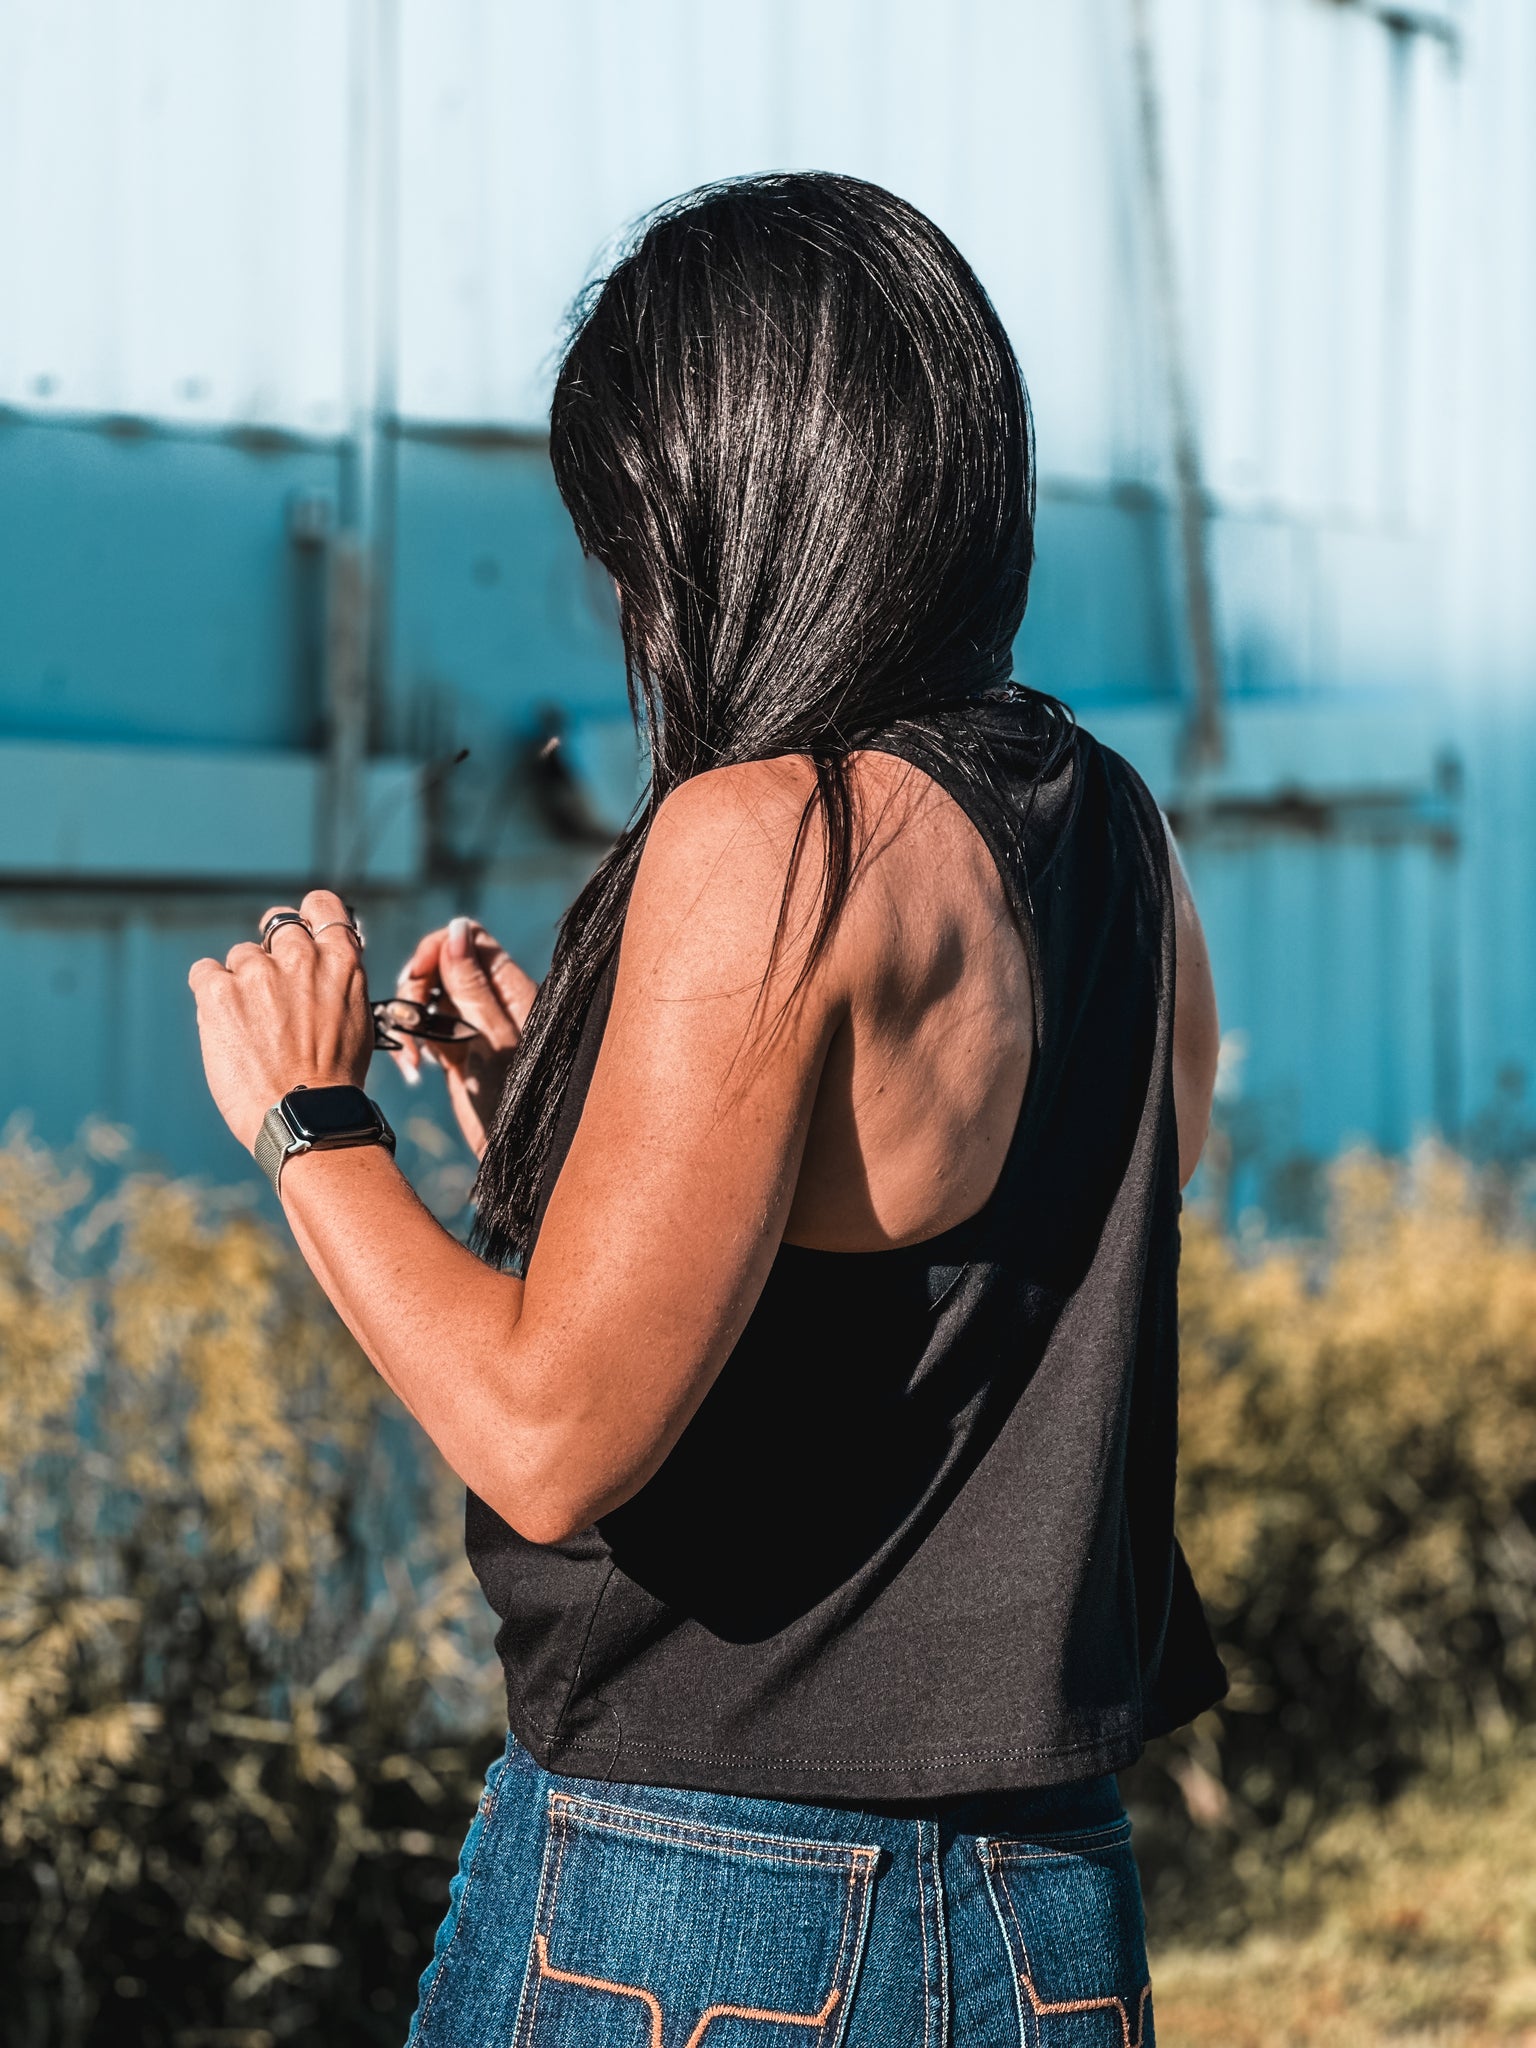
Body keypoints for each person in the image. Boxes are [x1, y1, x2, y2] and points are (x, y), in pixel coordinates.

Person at [190, 173, 1225, 2048]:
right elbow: (963, 1293)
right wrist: (557, 1131)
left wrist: (307, 1118)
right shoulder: (1123, 839)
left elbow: (550, 1435)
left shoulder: (777, 835)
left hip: (703, 1912)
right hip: (1049, 1913)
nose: (626, 601)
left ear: (728, 511)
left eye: (630, 538)